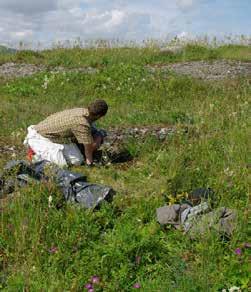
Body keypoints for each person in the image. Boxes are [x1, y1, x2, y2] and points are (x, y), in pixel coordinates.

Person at [24, 99, 108, 167]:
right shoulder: (82, 123)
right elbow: (88, 149)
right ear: (98, 116)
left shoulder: (81, 111)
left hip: (45, 131)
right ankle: (34, 153)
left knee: (79, 153)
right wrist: (89, 163)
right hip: (41, 138)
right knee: (73, 161)